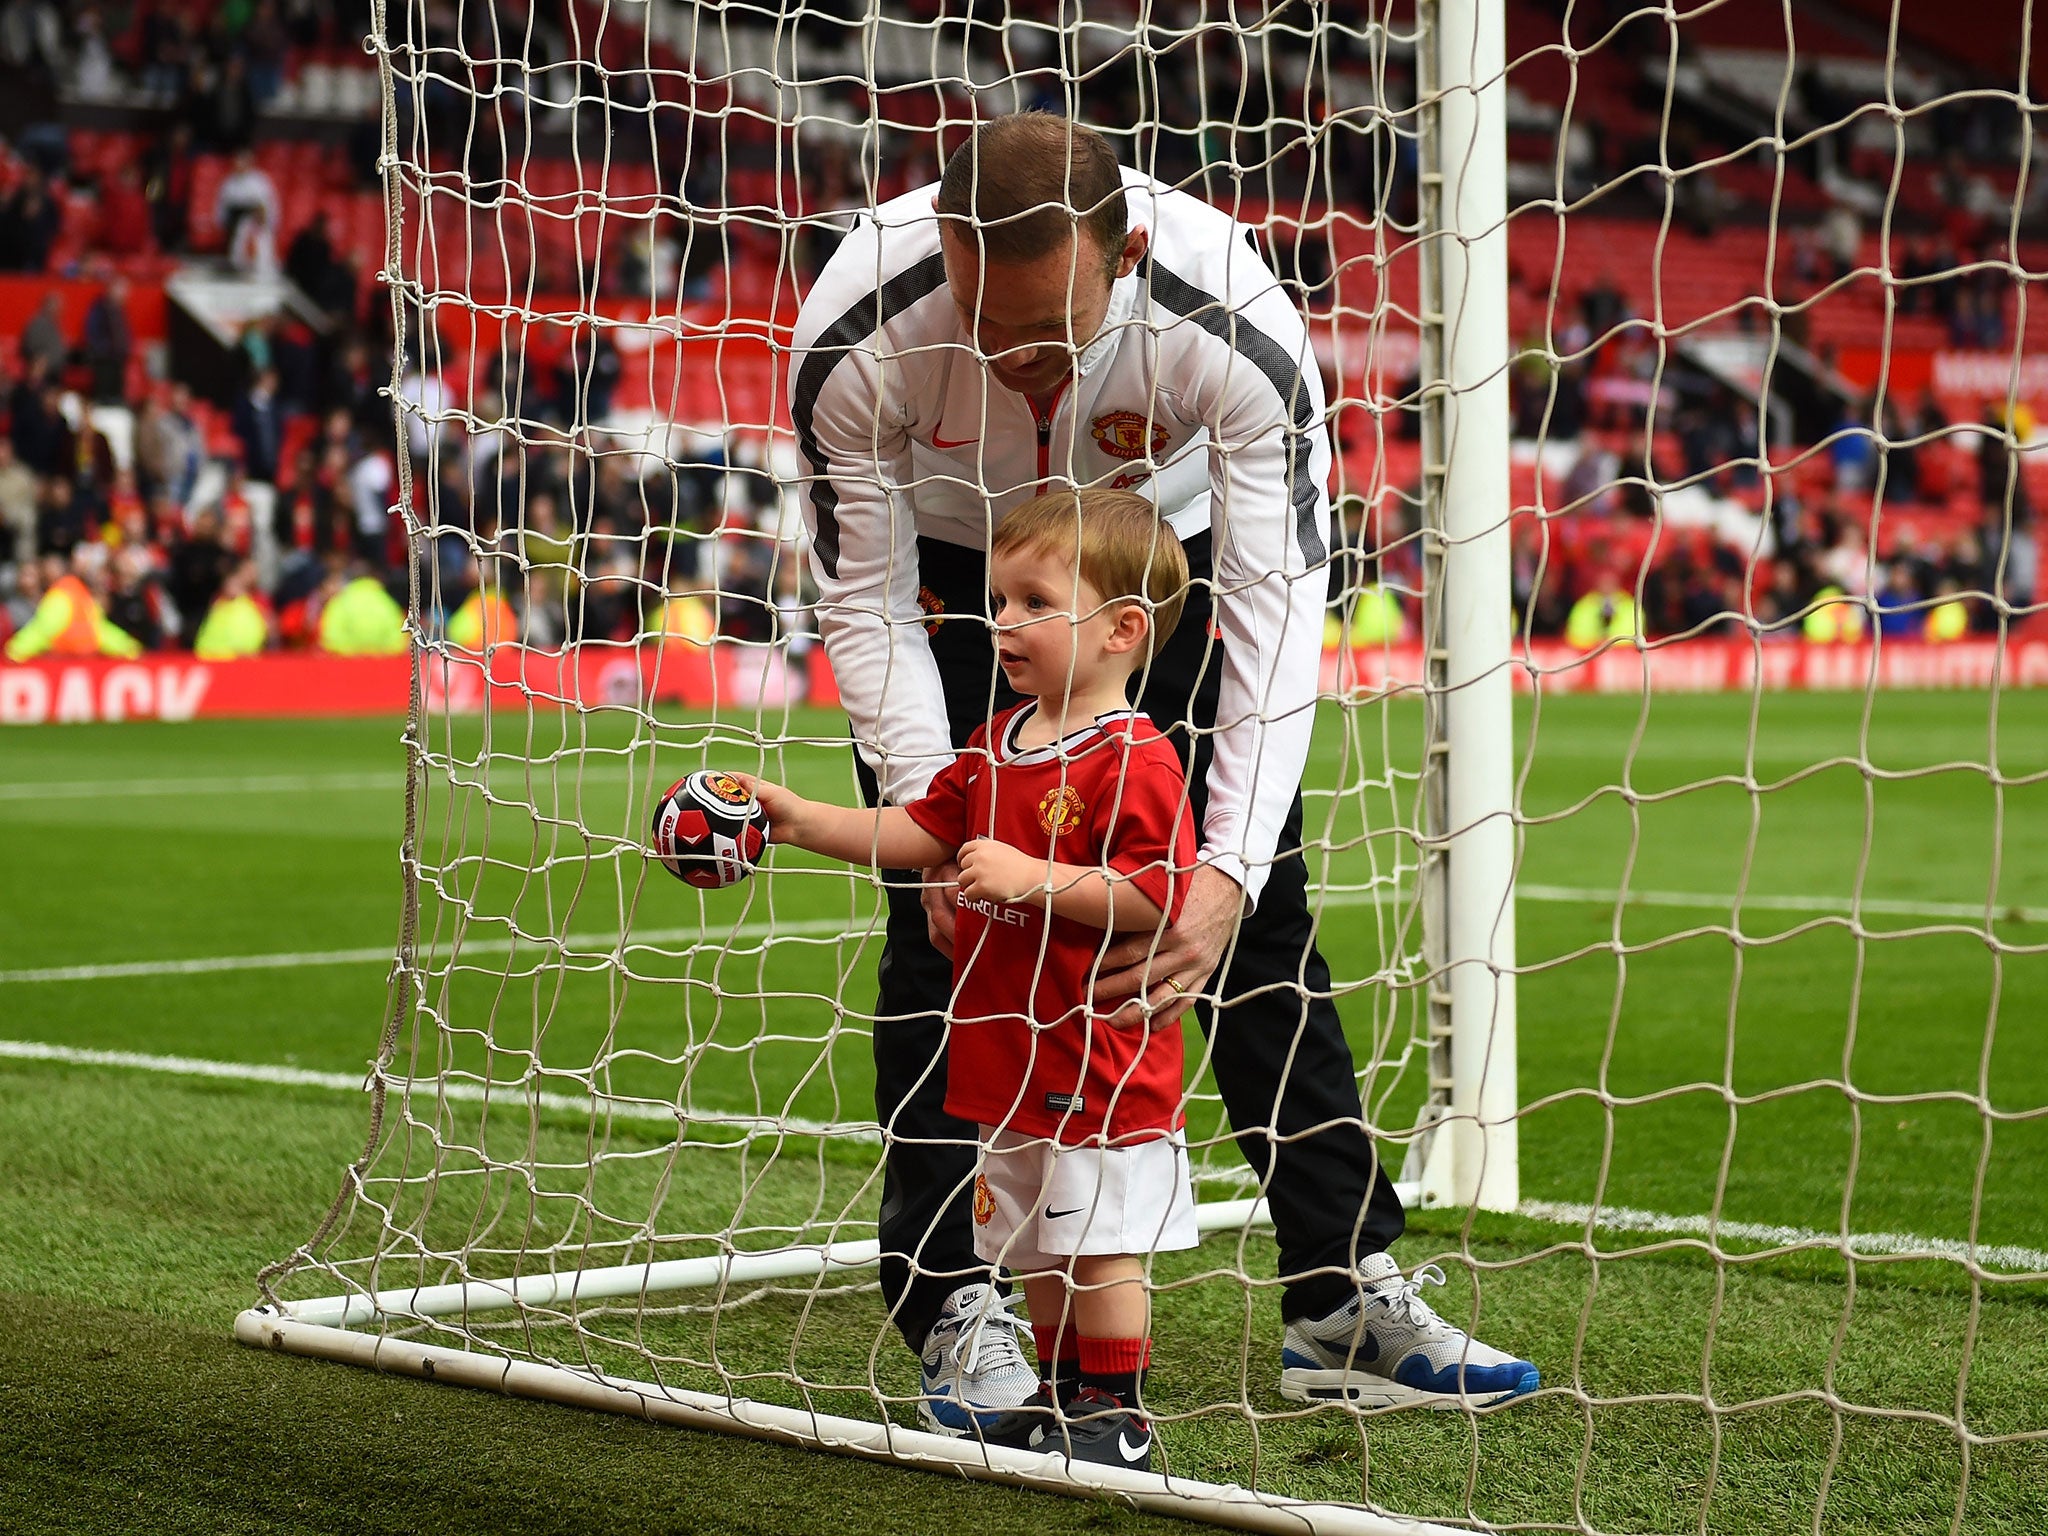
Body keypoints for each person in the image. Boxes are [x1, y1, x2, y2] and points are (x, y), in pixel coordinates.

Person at [784, 111, 1538, 1427]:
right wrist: (931, 815)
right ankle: (954, 1296)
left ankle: (1338, 1291)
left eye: (1047, 324)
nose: (1016, 357)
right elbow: (862, 597)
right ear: (943, 251)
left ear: (1124, 251)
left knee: (1257, 919)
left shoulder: (1229, 312)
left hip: (1157, 562)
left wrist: (1228, 869)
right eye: (985, 317)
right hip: (972, 578)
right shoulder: (861, 320)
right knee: (943, 918)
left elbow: (1277, 598)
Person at [748, 490, 1198, 1468]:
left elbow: (1157, 893)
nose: (1003, 622)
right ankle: (1056, 1392)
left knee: (1098, 1242)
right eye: (996, 602)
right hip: (1000, 1052)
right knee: (1031, 1243)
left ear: (1122, 629)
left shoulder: (1137, 758)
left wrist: (1033, 878)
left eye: (1033, 601)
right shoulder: (992, 747)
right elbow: (910, 833)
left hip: (1097, 1058)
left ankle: (1115, 1409)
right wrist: (797, 820)